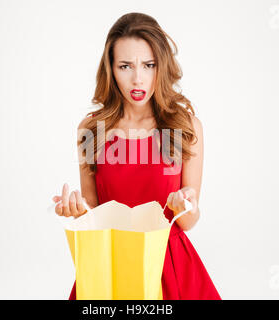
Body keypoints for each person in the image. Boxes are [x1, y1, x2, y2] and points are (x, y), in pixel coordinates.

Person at [52, 12, 221, 300]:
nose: (137, 78)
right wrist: (78, 213)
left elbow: (189, 221)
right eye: (125, 66)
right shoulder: (91, 129)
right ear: (111, 70)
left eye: (148, 65)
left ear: (161, 66)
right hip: (110, 267)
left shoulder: (186, 127)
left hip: (169, 267)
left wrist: (184, 205)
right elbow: (93, 211)